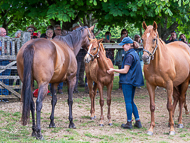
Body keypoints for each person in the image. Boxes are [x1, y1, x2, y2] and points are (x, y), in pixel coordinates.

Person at [107, 37, 144, 129]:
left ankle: (129, 123)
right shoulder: (134, 53)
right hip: (133, 81)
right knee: (131, 101)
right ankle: (138, 121)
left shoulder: (129, 55)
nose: (123, 47)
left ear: (128, 45)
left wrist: (113, 70)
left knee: (128, 102)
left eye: (124, 45)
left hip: (127, 81)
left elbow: (125, 70)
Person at [72, 23, 87, 93]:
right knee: (76, 73)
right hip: (76, 57)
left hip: (83, 56)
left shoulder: (82, 36)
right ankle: (74, 88)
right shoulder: (72, 36)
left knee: (83, 71)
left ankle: (83, 85)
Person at [0, 28, 11, 102]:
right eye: (3, 33)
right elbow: (2, 48)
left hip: (6, 60)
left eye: (5, 32)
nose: (5, 34)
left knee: (6, 78)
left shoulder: (7, 38)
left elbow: (10, 47)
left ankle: (5, 96)